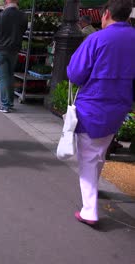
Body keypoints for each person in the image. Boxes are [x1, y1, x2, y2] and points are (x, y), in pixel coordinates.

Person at [67, 0, 135, 228]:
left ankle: (89, 210)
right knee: (99, 152)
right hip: (119, 106)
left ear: (106, 14)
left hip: (93, 106)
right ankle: (93, 192)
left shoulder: (96, 38)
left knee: (88, 157)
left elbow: (75, 73)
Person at [0, 0, 27, 113]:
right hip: (14, 51)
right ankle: (10, 102)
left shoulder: (0, 16)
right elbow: (23, 31)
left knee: (4, 77)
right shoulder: (23, 16)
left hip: (1, 50)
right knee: (10, 75)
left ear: (6, 1)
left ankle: (5, 105)